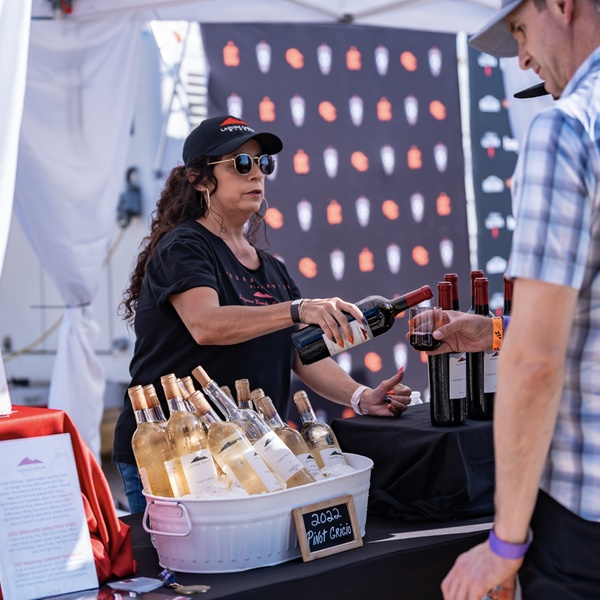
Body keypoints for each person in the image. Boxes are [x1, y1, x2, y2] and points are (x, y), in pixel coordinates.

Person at [112, 115, 412, 514]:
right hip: (175, 454)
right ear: (200, 179)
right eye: (240, 163)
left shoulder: (272, 268)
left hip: (249, 453)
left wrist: (360, 397)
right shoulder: (184, 246)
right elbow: (206, 325)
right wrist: (296, 310)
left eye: (263, 163)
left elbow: (301, 354)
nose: (257, 174)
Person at [434, 0, 600, 598]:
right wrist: (498, 331)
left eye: (521, 30)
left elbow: (536, 363)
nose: (523, 59)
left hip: (585, 520)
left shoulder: (567, 127)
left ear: (561, 5)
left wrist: (505, 544)